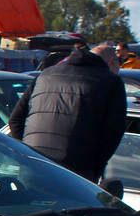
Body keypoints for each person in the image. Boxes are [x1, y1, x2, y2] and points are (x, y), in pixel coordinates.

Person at [7, 42, 126, 183]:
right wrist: (96, 169)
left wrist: (26, 153)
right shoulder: (111, 82)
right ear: (112, 62)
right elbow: (113, 132)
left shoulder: (46, 74)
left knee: (28, 205)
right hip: (75, 170)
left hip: (33, 164)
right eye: (120, 62)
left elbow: (15, 119)